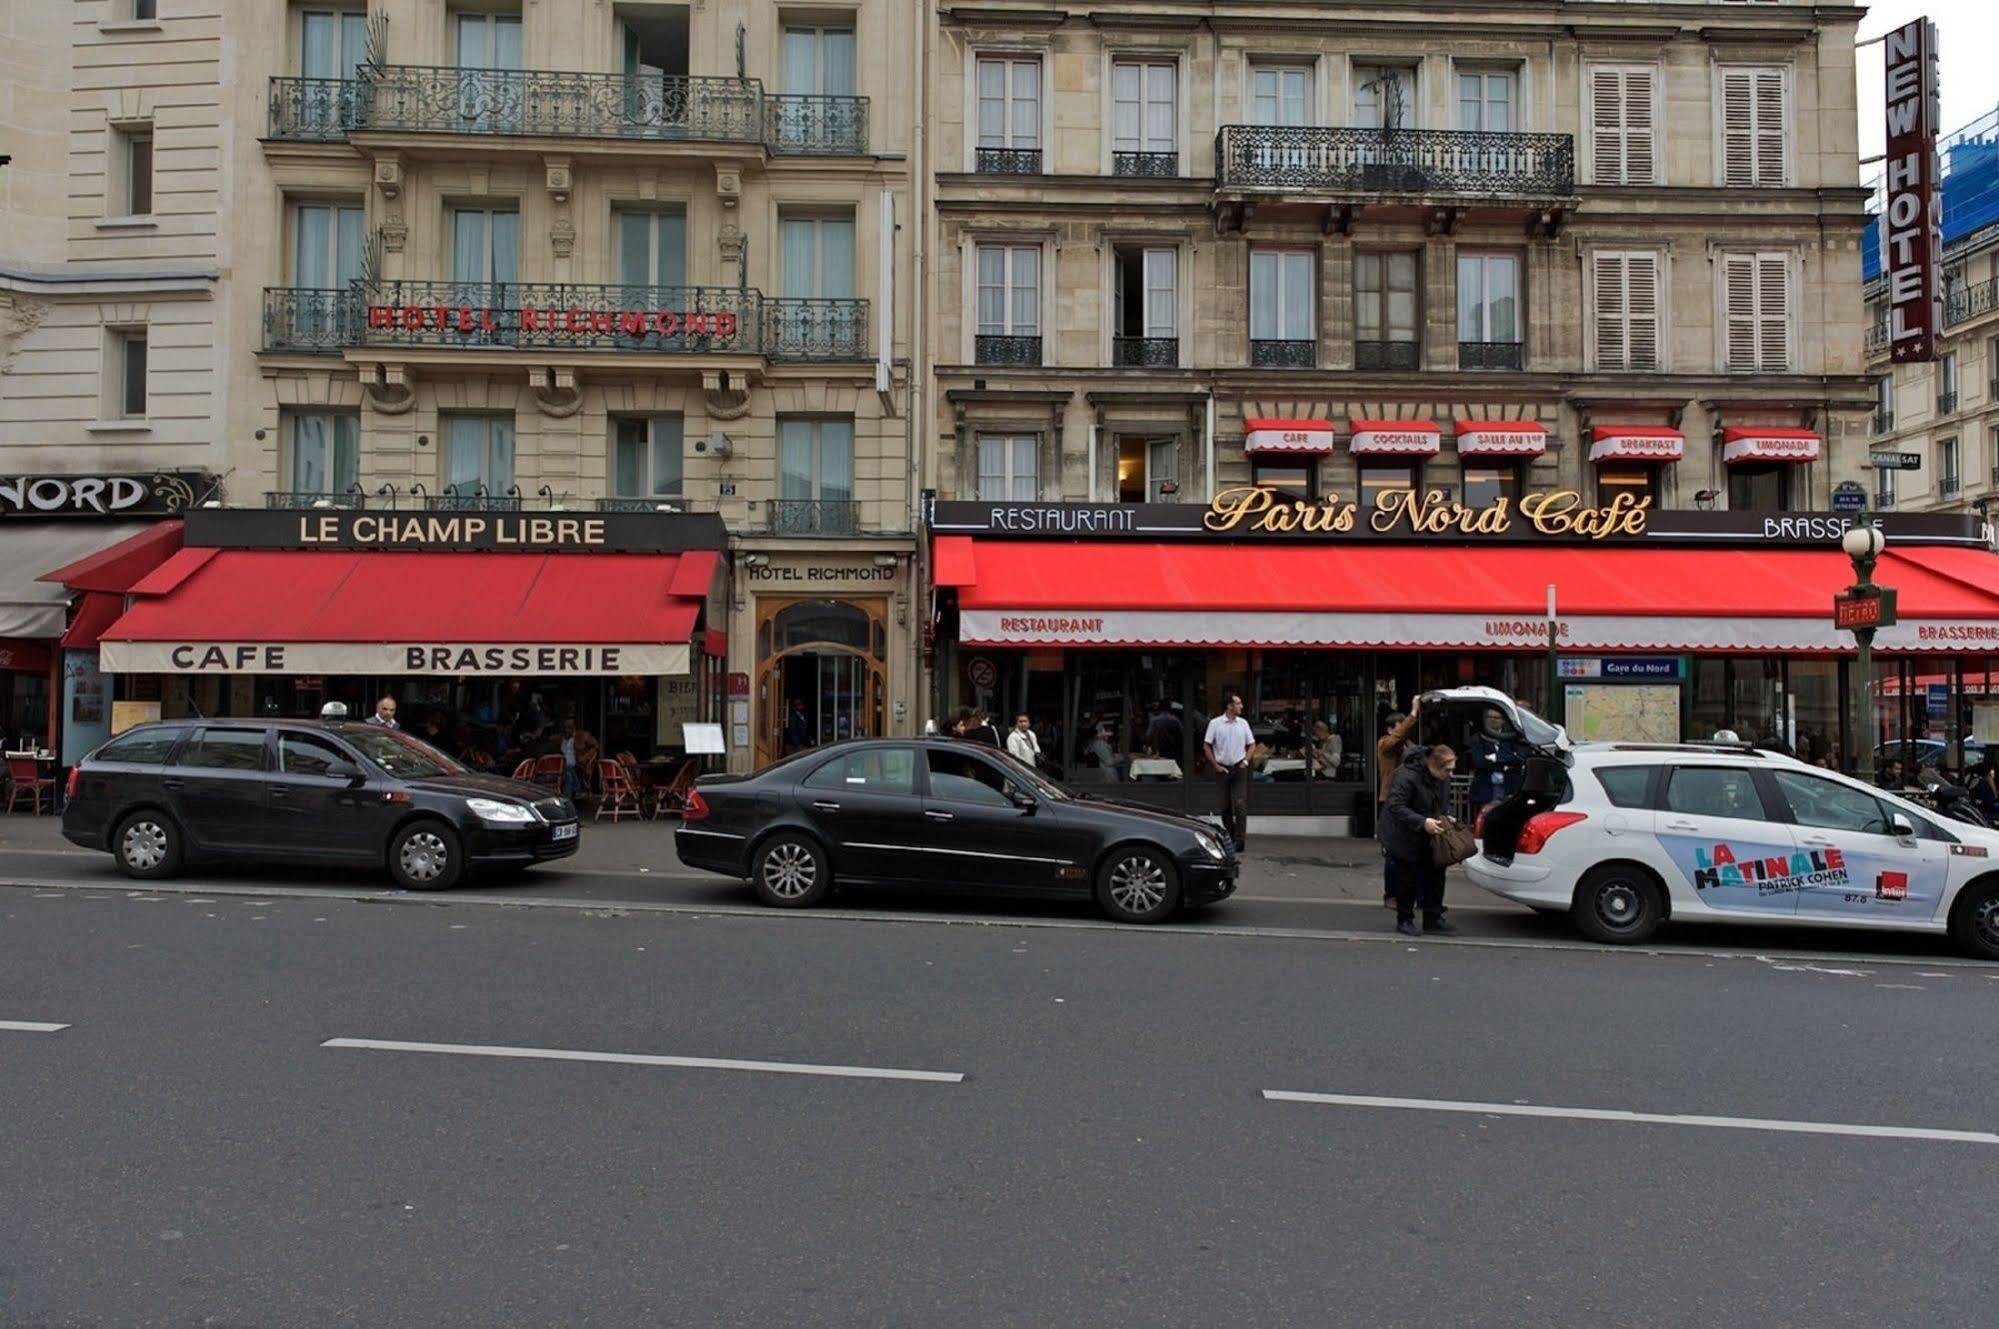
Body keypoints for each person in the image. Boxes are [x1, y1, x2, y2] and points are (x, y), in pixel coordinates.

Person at [1381, 742, 1461, 937]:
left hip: (1429, 830)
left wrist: (1447, 814)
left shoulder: (1441, 778)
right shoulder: (1407, 775)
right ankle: (1405, 919)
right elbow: (1396, 806)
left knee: (1436, 873)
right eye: (1448, 770)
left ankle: (1433, 917)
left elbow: (1443, 801)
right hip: (1403, 832)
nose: (1450, 775)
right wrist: (1422, 821)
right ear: (1434, 766)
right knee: (1407, 876)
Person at [1375, 698, 1421, 907]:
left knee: (1413, 852)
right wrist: (1412, 714)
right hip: (1392, 802)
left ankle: (1412, 894)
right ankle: (1391, 895)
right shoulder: (1386, 743)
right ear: (1389, 728)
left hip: (1409, 802)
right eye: (1398, 726)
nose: (1403, 730)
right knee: (1393, 852)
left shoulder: (1409, 746)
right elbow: (1396, 740)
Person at [1204, 692, 1255, 851]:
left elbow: (1252, 744)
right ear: (1229, 706)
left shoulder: (1243, 723)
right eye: (1238, 703)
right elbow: (1207, 745)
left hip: (1239, 767)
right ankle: (1231, 836)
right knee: (1225, 806)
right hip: (1222, 769)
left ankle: (1240, 841)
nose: (1241, 706)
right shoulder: (1215, 724)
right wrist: (1215, 765)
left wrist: (1246, 761)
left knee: (1240, 804)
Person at [1467, 707, 1528, 811]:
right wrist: (1507, 761)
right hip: (1486, 789)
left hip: (1510, 787)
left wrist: (1495, 758)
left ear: (1503, 720)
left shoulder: (1514, 737)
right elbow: (1479, 762)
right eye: (1489, 717)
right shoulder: (1477, 738)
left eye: (1497, 718)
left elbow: (1520, 758)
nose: (1493, 720)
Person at [557, 715, 599, 799]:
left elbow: (596, 746)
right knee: (568, 774)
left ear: (574, 728)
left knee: (569, 773)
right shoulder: (559, 738)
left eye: (569, 728)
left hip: (578, 766)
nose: (566, 730)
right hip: (562, 768)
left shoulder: (582, 736)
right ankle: (578, 790)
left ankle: (567, 803)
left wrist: (585, 757)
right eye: (565, 728)